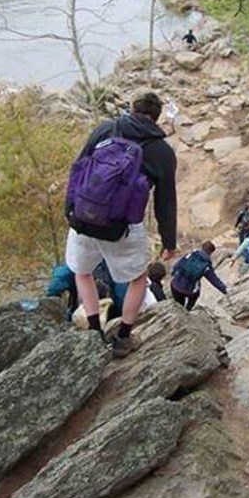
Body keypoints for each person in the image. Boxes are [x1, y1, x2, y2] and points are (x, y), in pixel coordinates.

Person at [65, 92, 178, 357]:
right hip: (122, 227)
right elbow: (165, 203)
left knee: (82, 272)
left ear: (131, 109)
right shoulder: (162, 151)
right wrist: (169, 242)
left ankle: (94, 333)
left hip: (83, 217)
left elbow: (78, 168)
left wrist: (69, 210)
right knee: (138, 279)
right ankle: (123, 337)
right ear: (156, 118)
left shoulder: (106, 128)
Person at [171, 241, 227, 310]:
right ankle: (188, 310)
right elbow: (215, 281)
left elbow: (177, 266)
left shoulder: (190, 254)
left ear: (202, 247)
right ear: (211, 253)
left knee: (179, 304)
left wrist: (173, 274)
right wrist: (225, 290)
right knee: (195, 294)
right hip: (189, 291)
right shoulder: (206, 266)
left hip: (175, 285)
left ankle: (180, 310)